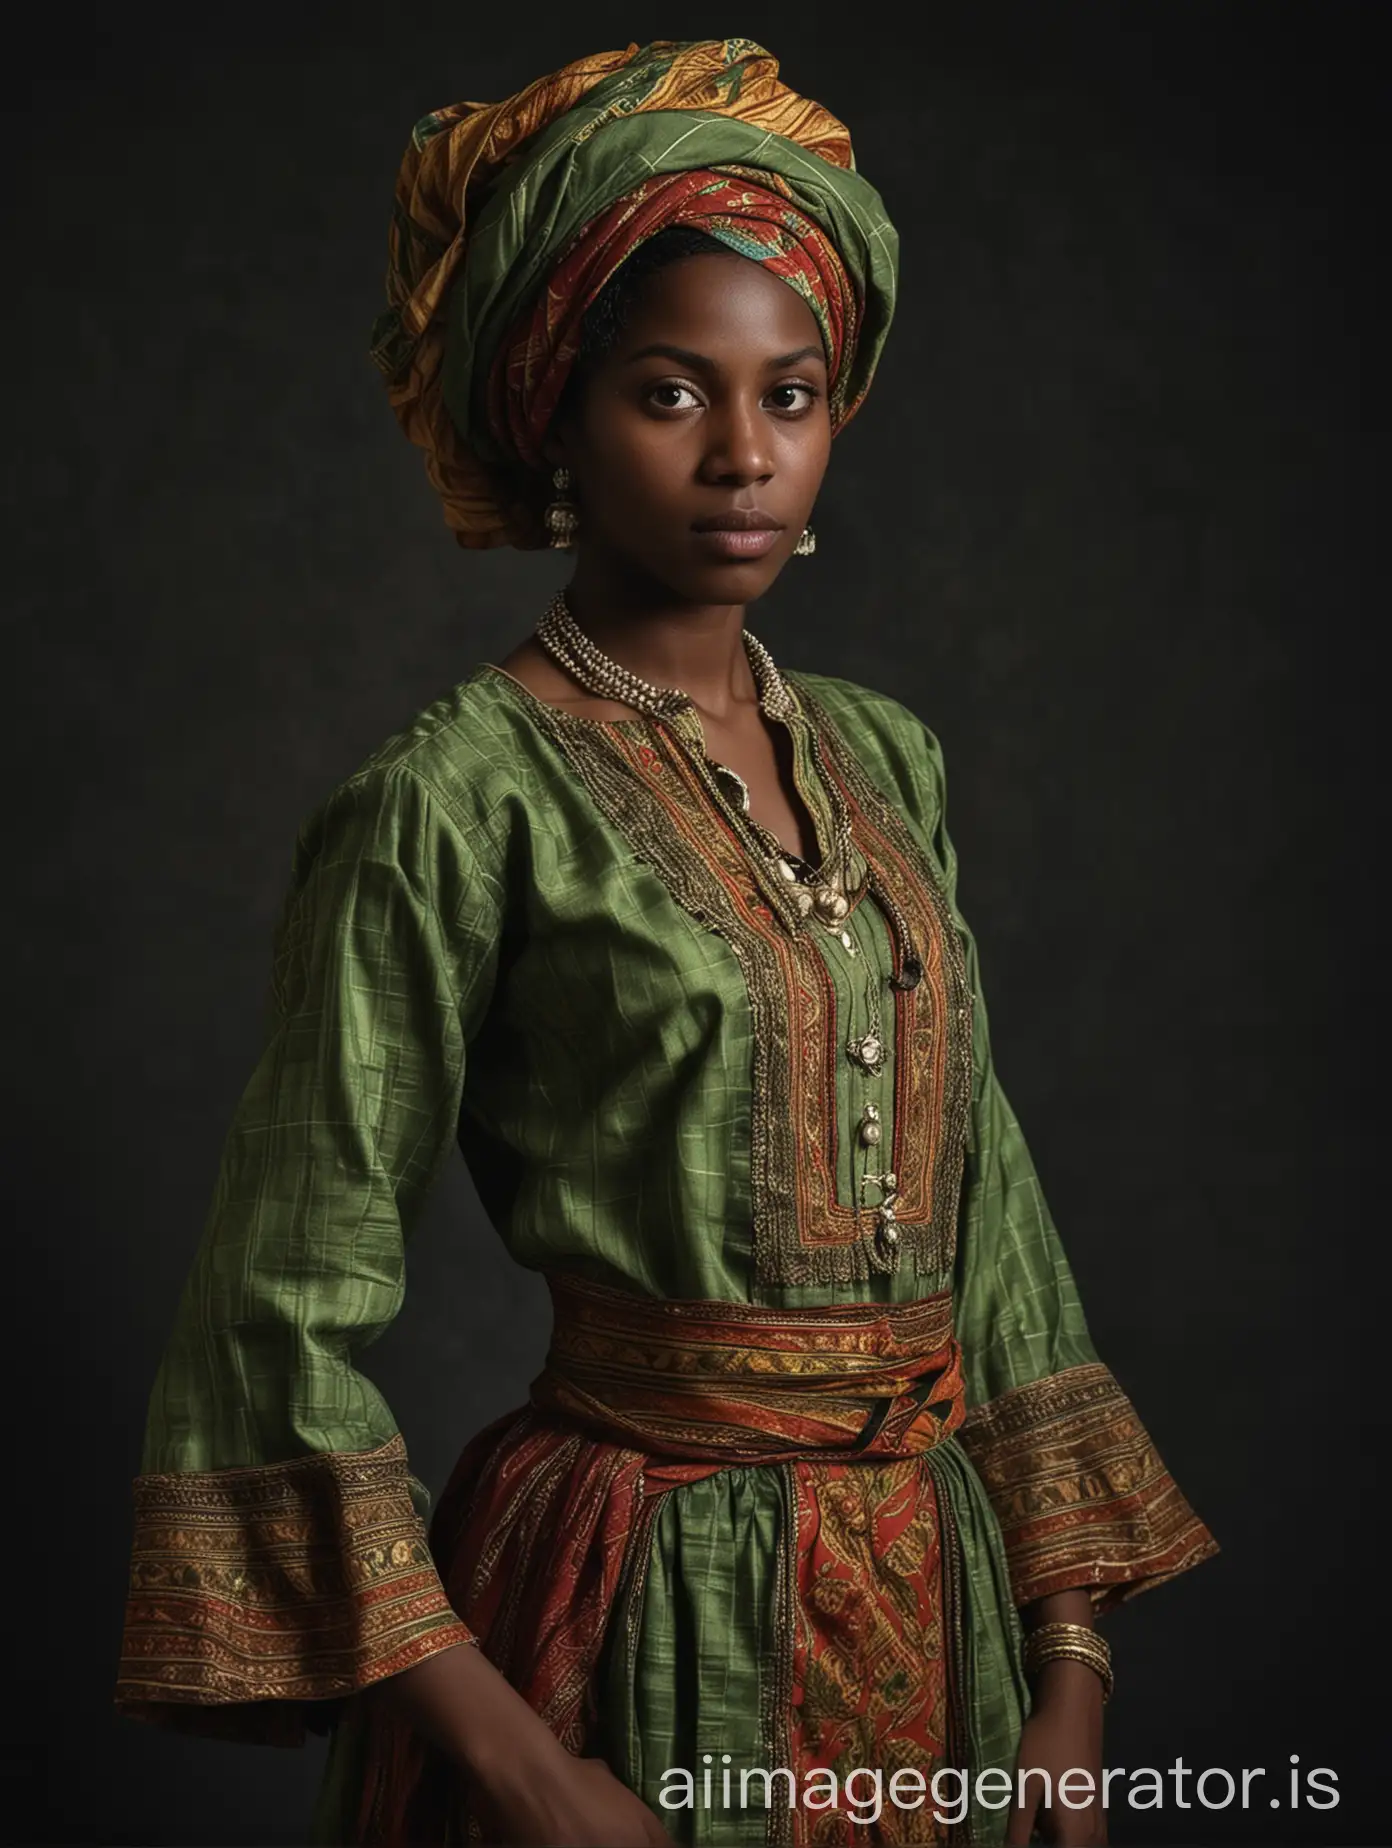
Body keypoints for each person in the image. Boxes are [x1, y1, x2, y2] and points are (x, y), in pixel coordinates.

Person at [114, 39, 1217, 1848]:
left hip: (947, 1616)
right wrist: (526, 1772)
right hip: (628, 1619)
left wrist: (1070, 1673)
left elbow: (993, 1223)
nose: (741, 456)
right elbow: (272, 1319)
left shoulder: (885, 761)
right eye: (668, 393)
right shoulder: (457, 800)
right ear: (555, 407)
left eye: (790, 395)